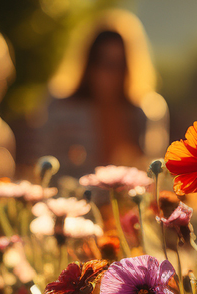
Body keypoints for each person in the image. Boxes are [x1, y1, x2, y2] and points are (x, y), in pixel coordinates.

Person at [37, 11, 163, 181]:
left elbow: (152, 171)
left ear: (129, 66)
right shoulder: (60, 107)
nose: (108, 73)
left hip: (124, 205)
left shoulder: (146, 112)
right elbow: (43, 163)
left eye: (117, 64)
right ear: (88, 62)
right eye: (101, 61)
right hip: (71, 201)